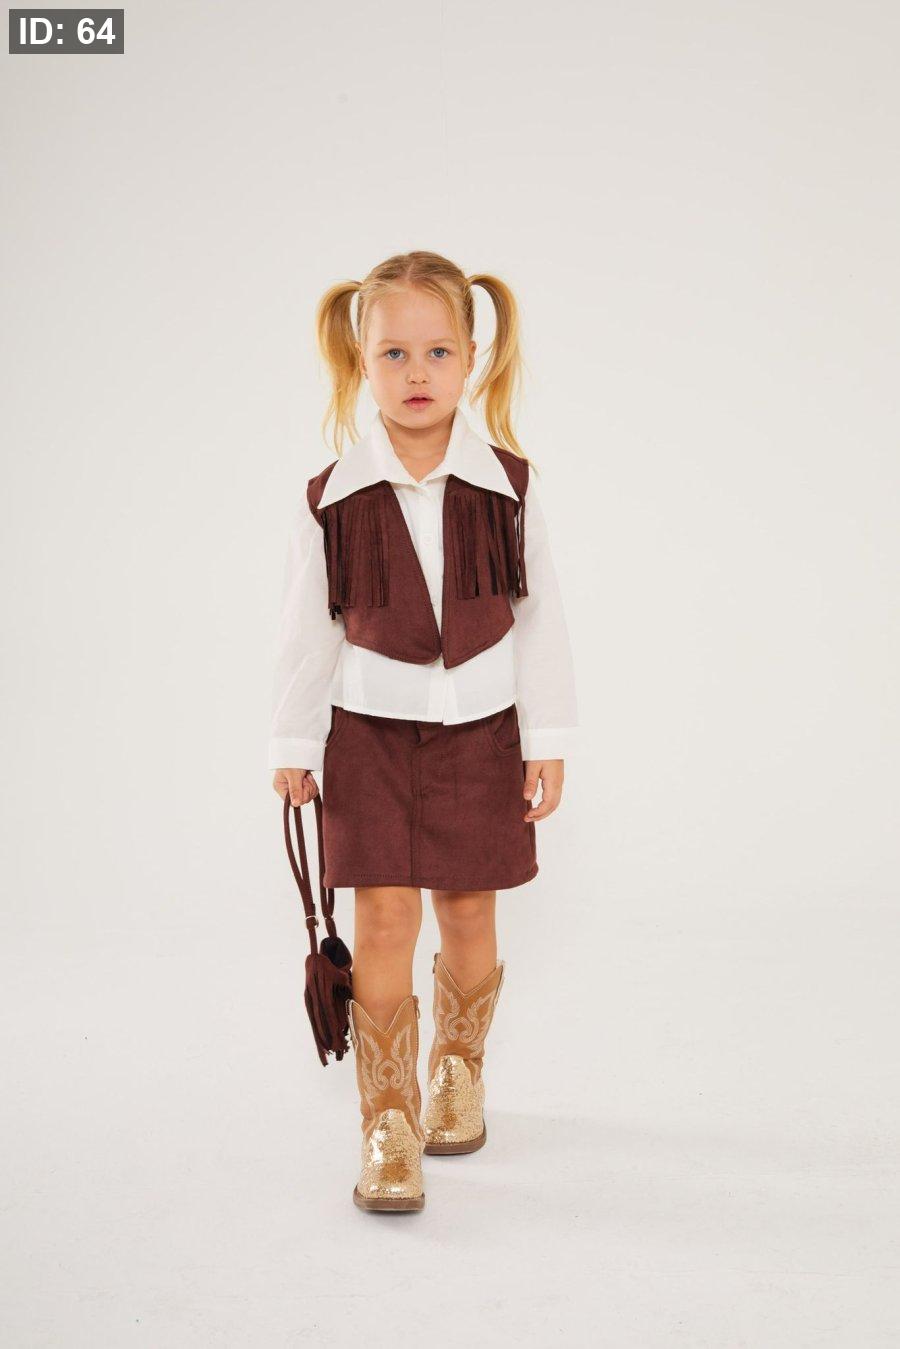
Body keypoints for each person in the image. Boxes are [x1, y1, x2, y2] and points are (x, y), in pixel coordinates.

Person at [269, 250, 578, 1212]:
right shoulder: (332, 496)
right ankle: (388, 1117)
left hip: (481, 736)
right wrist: (294, 744)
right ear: (361, 362)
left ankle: (457, 1071)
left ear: (472, 358)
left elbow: (539, 614)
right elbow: (307, 627)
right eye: (393, 353)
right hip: (366, 737)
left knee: (470, 910)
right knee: (383, 918)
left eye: (438, 351)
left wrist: (547, 734)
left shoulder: (508, 486)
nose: (416, 373)